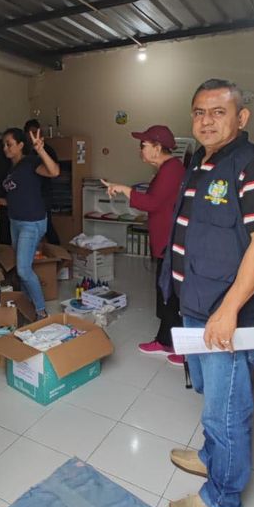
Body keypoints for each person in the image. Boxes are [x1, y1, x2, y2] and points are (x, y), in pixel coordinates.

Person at [159, 79, 254, 507]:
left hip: (228, 314)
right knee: (210, 395)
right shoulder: (199, 163)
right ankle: (213, 456)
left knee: (227, 408)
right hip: (197, 305)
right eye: (199, 112)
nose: (206, 121)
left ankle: (223, 499)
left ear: (241, 117)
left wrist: (229, 310)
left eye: (218, 112)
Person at [102, 125, 185, 363]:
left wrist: (124, 189)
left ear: (157, 148)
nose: (140, 150)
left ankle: (182, 348)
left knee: (172, 296)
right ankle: (164, 340)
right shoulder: (165, 170)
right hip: (163, 242)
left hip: (171, 243)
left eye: (144, 145)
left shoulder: (172, 169)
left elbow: (152, 203)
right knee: (164, 293)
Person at [0, 127, 59, 317]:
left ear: (20, 145)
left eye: (9, 144)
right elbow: (16, 197)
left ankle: (41, 311)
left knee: (23, 269)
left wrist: (40, 150)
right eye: (4, 145)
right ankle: (28, 306)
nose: (5, 148)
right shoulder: (12, 169)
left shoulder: (30, 162)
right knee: (23, 267)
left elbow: (54, 171)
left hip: (31, 222)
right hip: (16, 222)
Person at [24, 118, 60, 245]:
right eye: (31, 133)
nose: (33, 136)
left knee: (47, 225)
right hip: (27, 194)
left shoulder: (47, 150)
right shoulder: (24, 151)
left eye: (36, 132)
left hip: (43, 193)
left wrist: (40, 151)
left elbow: (54, 170)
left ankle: (57, 250)